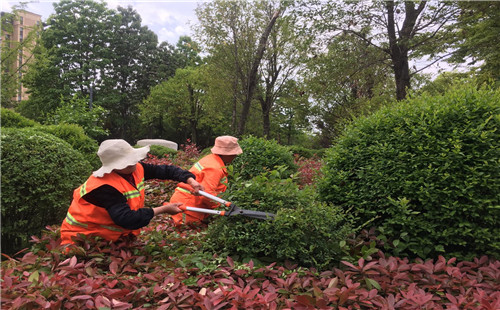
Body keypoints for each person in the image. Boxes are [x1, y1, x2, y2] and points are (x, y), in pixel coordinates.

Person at [60, 139, 203, 245]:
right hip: (83, 241)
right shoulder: (103, 187)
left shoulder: (135, 169)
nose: (133, 164)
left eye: (133, 160)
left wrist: (190, 180)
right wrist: (163, 209)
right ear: (113, 166)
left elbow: (166, 171)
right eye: (126, 163)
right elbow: (126, 219)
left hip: (113, 238)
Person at [170, 136, 243, 225]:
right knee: (187, 236)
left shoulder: (211, 159)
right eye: (233, 154)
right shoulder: (215, 168)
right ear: (225, 154)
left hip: (184, 203)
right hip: (188, 208)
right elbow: (207, 195)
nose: (235, 156)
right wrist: (221, 208)